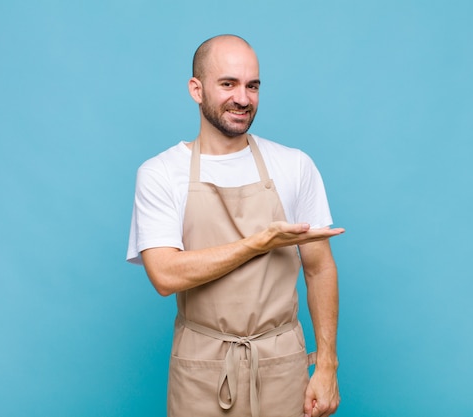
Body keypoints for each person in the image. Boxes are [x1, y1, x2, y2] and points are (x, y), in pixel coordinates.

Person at [127, 34, 343, 417]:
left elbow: (320, 267)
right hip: (201, 367)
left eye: (252, 86)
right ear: (196, 89)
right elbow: (164, 274)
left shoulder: (294, 166)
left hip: (281, 364)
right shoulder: (161, 173)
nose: (243, 98)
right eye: (228, 84)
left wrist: (326, 365)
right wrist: (260, 242)